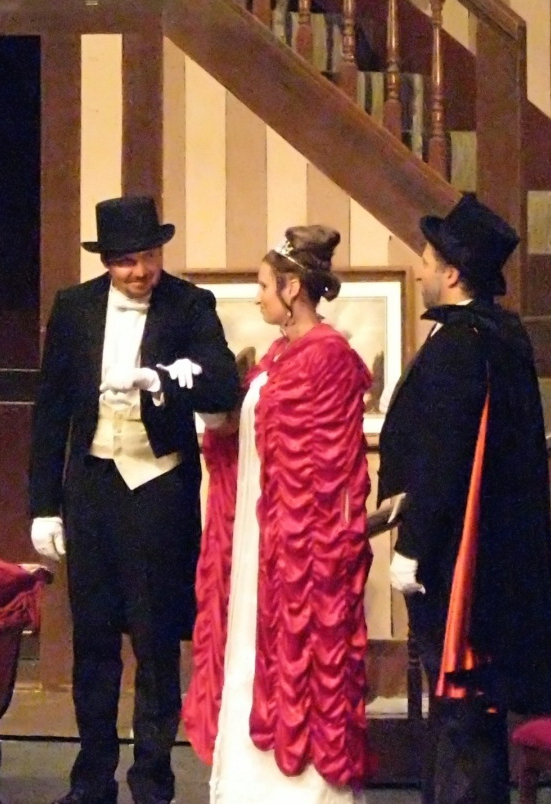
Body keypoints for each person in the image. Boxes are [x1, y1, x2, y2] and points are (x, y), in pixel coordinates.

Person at [29, 195, 241, 804]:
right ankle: (91, 781)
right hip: (92, 488)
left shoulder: (189, 304)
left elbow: (223, 383)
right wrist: (43, 505)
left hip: (159, 490)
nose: (140, 272)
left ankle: (153, 783)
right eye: (126, 262)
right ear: (107, 262)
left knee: (155, 642)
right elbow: (51, 411)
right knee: (93, 644)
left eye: (148, 257)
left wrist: (164, 380)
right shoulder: (74, 308)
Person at [377, 193, 551, 804]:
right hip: (485, 555)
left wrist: (412, 546)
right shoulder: (492, 337)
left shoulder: (465, 344)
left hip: (461, 561)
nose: (422, 270)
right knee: (463, 715)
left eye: (428, 260)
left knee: (464, 712)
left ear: (454, 274)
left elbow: (445, 455)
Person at [182, 225, 374, 804]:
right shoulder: (280, 355)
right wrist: (213, 417)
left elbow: (321, 466)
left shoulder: (327, 356)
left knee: (295, 653)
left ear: (292, 289)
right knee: (248, 647)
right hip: (257, 530)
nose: (257, 296)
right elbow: (255, 436)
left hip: (293, 543)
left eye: (264, 285)